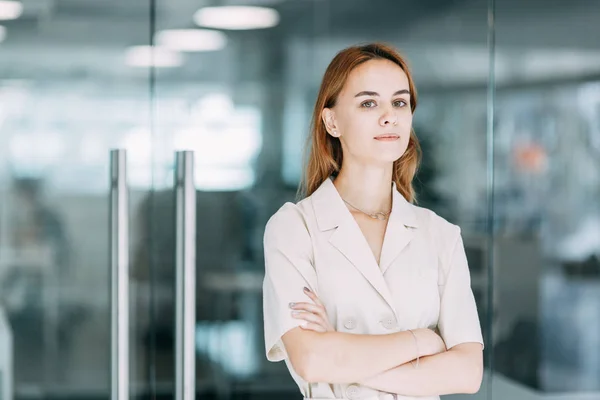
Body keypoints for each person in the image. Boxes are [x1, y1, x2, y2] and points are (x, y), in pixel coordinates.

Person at [262, 43, 485, 400]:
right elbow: (311, 359)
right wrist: (423, 341)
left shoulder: (440, 234)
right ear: (331, 121)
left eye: (399, 102)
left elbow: (467, 372)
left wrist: (343, 358)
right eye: (368, 103)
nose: (389, 116)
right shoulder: (295, 227)